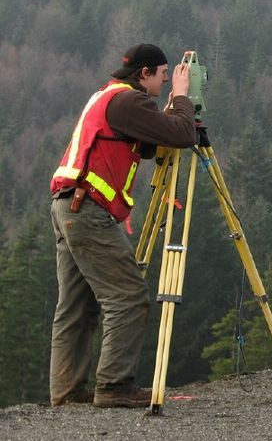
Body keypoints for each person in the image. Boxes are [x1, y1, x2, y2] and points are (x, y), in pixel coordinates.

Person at [49, 43, 197, 408]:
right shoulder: (130, 101)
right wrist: (182, 99)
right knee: (128, 297)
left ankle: (67, 393)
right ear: (143, 73)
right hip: (87, 211)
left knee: (76, 307)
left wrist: (162, 114)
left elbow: (145, 145)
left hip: (69, 205)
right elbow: (182, 134)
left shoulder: (107, 96)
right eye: (163, 75)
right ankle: (114, 387)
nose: (166, 82)